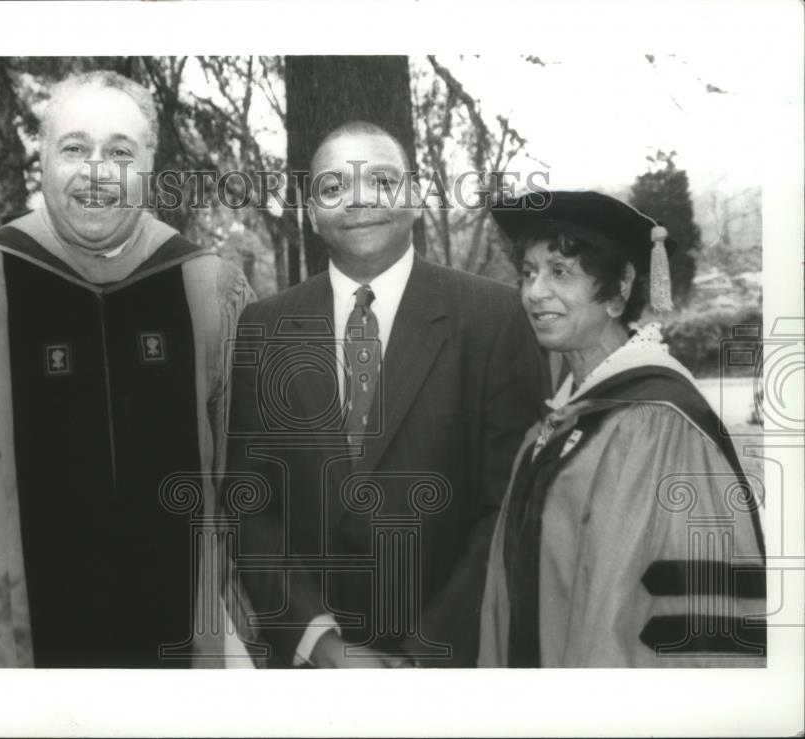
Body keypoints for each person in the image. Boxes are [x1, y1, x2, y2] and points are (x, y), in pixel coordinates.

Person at [0, 71, 256, 668]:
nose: (97, 172)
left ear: (149, 166)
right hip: (3, 659)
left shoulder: (208, 289)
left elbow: (251, 482)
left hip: (182, 654)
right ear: (41, 160)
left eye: (120, 152)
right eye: (75, 148)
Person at [226, 121, 547, 667]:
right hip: (312, 671)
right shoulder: (264, 326)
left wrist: (425, 656)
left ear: (417, 197)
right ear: (310, 211)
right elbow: (252, 504)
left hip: (453, 663)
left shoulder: (495, 319)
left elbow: (509, 507)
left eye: (382, 180)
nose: (359, 200)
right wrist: (320, 642)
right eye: (333, 187)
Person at [479, 190, 767, 667]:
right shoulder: (559, 421)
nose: (534, 292)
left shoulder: (659, 425)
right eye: (528, 273)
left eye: (560, 272)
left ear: (618, 290)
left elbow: (690, 624)